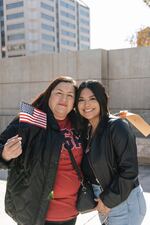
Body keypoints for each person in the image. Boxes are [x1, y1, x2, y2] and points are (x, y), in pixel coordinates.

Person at [0, 76, 83, 225]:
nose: (64, 98)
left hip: (71, 213)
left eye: (70, 95)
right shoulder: (31, 119)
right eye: (59, 93)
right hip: (36, 214)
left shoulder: (79, 124)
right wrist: (5, 154)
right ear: (49, 95)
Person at [76, 80, 146, 225]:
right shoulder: (87, 131)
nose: (86, 104)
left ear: (102, 100)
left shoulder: (117, 127)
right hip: (105, 201)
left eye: (92, 99)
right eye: (81, 100)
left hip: (122, 202)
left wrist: (107, 201)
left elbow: (129, 171)